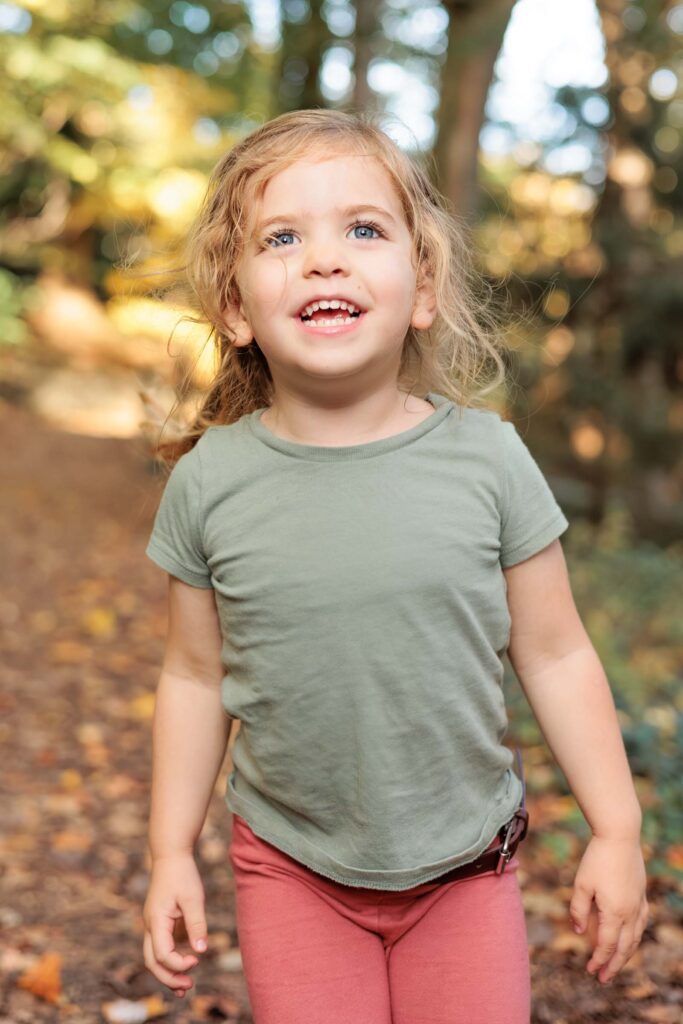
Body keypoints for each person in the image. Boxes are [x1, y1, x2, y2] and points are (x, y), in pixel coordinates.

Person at [141, 109, 648, 1024]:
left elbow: (556, 653)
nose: (323, 259)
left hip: (464, 866)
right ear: (234, 305)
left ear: (420, 288)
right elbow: (192, 673)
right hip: (292, 864)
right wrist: (169, 851)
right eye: (282, 236)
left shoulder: (488, 461)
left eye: (362, 229)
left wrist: (616, 828)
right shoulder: (211, 481)